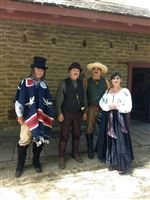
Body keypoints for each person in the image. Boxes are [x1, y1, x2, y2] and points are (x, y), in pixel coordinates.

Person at [14, 56, 54, 178]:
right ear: (33, 69)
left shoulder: (44, 85)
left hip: (40, 118)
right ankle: (20, 165)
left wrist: (49, 114)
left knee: (39, 140)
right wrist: (20, 115)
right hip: (27, 118)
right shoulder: (25, 82)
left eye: (42, 70)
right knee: (24, 140)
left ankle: (36, 162)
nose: (40, 72)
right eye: (38, 69)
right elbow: (19, 100)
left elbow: (48, 101)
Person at [96, 72, 134, 174]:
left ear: (120, 80)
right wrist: (108, 106)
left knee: (120, 140)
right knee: (110, 140)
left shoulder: (125, 91)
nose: (115, 80)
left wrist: (117, 107)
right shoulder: (108, 91)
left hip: (119, 118)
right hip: (108, 117)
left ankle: (122, 164)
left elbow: (128, 106)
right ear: (111, 81)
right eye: (113, 79)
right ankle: (112, 162)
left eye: (117, 78)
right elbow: (101, 102)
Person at [56, 62, 87, 169]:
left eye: (78, 71)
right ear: (69, 71)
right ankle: (61, 157)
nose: (76, 72)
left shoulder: (81, 83)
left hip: (78, 114)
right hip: (66, 114)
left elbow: (84, 98)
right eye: (74, 70)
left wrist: (85, 111)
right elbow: (59, 100)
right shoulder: (64, 83)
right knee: (64, 135)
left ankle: (75, 153)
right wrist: (59, 113)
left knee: (77, 134)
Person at [84, 62, 109, 159]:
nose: (96, 70)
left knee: (103, 129)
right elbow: (84, 97)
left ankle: (98, 147)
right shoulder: (86, 81)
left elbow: (109, 95)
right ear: (92, 71)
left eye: (98, 69)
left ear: (101, 71)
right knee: (89, 129)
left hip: (103, 110)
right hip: (91, 109)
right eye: (94, 69)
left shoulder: (106, 82)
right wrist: (85, 111)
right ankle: (90, 149)